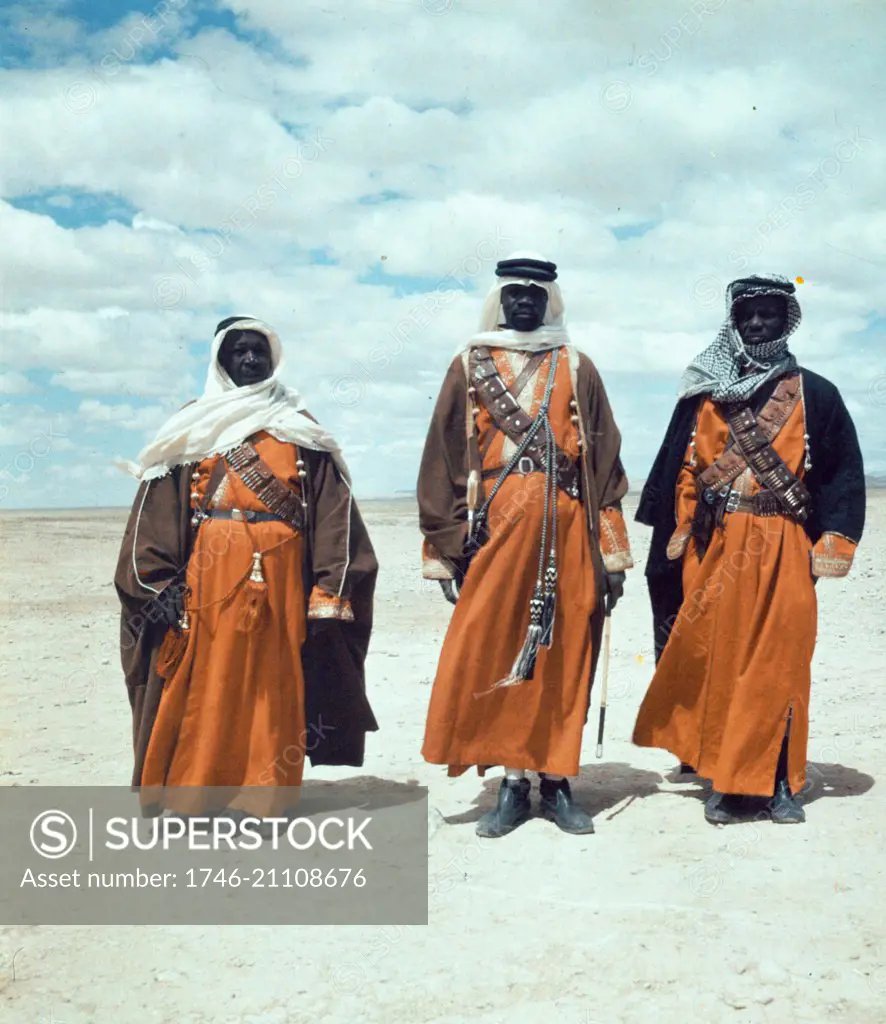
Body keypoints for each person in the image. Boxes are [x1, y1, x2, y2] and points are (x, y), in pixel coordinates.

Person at [114, 316, 378, 823]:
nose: (251, 359)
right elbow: (155, 508)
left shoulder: (297, 422)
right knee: (205, 681)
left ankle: (263, 802)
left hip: (283, 581)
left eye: (259, 350)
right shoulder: (194, 423)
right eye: (240, 351)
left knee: (274, 684)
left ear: (272, 357)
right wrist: (160, 584)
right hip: (207, 579)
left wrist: (329, 588)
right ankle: (192, 798)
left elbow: (331, 508)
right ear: (221, 359)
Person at [632, 274, 865, 825]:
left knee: (781, 666)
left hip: (785, 542)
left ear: (788, 320)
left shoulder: (817, 393)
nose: (757, 323)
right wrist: (680, 535)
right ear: (733, 324)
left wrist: (833, 539)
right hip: (716, 546)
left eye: (769, 314)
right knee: (722, 662)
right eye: (747, 315)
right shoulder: (704, 394)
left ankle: (780, 781)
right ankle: (726, 780)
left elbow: (841, 474)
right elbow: (679, 473)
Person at [417, 253, 633, 838]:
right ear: (500, 299)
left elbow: (606, 465)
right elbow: (442, 458)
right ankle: (513, 784)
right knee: (499, 652)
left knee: (561, 655)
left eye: (534, 295)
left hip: (568, 529)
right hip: (496, 534)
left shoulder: (577, 364)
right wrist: (443, 551)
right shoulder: (469, 363)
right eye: (514, 293)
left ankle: (558, 781)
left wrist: (611, 554)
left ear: (549, 301)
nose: (523, 302)